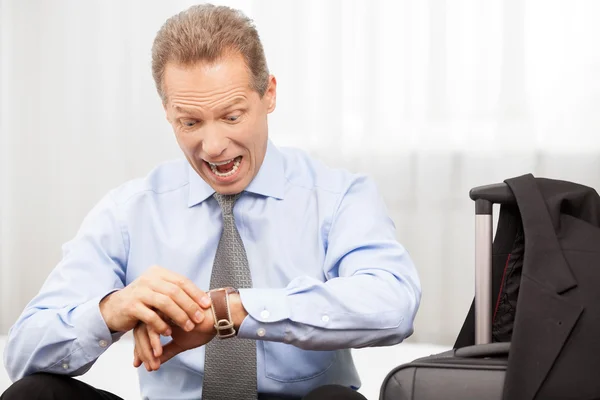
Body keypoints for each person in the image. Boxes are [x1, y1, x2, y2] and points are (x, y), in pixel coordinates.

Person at [1, 4, 421, 400]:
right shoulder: (129, 212)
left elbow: (392, 305)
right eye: (191, 122)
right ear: (168, 113)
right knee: (34, 394)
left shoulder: (338, 197)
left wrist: (232, 311)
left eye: (232, 116)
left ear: (269, 94)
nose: (214, 146)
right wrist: (112, 311)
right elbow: (22, 353)